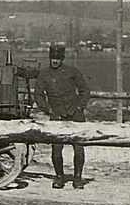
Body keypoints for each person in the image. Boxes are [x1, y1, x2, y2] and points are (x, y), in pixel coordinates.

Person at [35, 43, 91, 188]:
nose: (55, 61)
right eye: (53, 58)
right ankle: (59, 177)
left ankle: (77, 178)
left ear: (62, 58)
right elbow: (38, 95)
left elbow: (84, 90)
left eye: (58, 58)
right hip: (57, 116)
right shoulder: (44, 74)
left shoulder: (72, 71)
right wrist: (48, 110)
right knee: (56, 149)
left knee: (78, 148)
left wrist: (80, 107)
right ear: (50, 58)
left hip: (75, 115)